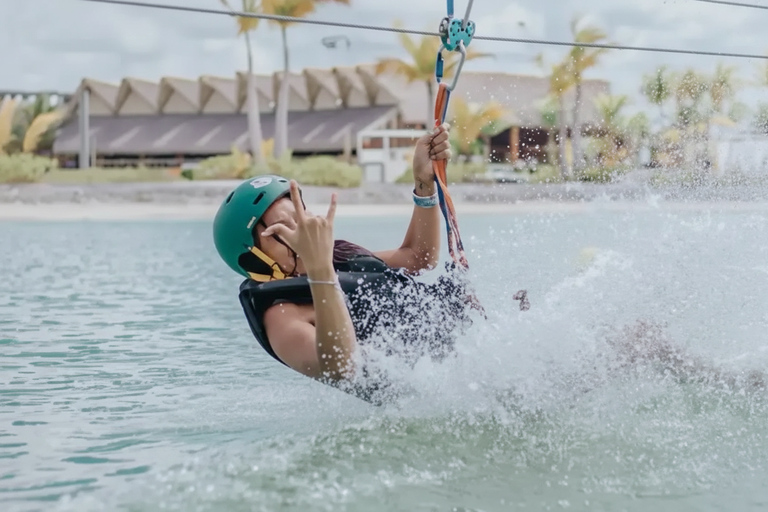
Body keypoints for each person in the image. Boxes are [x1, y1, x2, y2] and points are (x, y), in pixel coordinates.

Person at [213, 123, 477, 404]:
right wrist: (320, 271)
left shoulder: (336, 256)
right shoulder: (281, 318)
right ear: (255, 259)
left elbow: (418, 257)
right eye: (283, 230)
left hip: (475, 339)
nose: (304, 228)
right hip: (448, 390)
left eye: (301, 214)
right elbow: (342, 368)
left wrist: (424, 184)